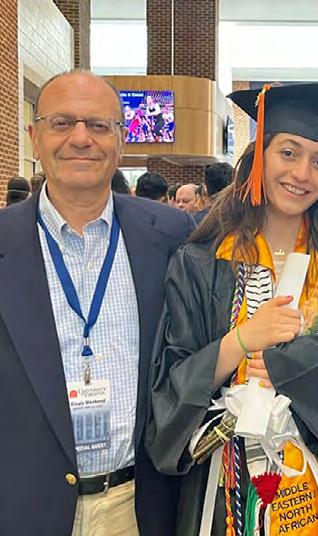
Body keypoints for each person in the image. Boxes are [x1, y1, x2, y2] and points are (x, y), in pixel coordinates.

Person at [145, 83, 318, 536]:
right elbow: (169, 383)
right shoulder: (202, 261)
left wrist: (293, 366)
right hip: (230, 480)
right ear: (259, 157)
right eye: (289, 153)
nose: (303, 173)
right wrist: (241, 340)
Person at [0, 70, 194, 536]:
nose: (81, 138)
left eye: (99, 125)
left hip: (143, 507)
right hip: (24, 508)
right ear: (35, 137)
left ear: (120, 141)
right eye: (62, 123)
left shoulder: (171, 236)